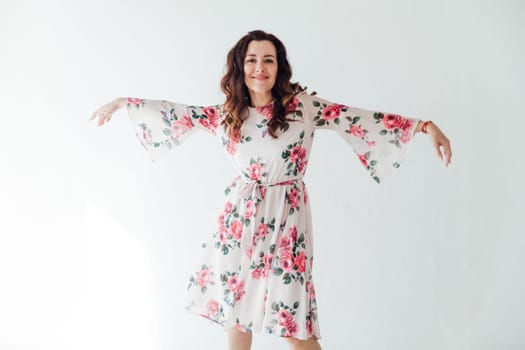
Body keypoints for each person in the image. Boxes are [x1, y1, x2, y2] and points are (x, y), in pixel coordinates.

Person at [89, 29, 452, 350]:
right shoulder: (227, 113)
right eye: (251, 60)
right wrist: (124, 104)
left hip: (288, 220)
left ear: (279, 68)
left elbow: (356, 119)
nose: (259, 67)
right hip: (238, 221)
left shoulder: (304, 108)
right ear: (239, 67)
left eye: (268, 60)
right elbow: (177, 113)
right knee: (235, 312)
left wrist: (425, 126)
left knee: (293, 323)